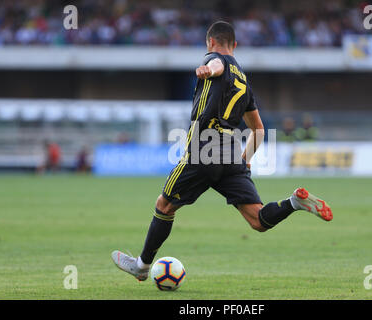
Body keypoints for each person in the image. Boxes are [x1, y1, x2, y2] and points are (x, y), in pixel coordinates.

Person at [111, 21, 333, 281]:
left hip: (204, 148)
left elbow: (217, 66)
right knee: (258, 220)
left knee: (165, 205)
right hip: (230, 151)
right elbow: (258, 130)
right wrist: (245, 161)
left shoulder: (216, 60)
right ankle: (294, 202)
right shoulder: (244, 81)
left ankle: (142, 266)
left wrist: (208, 68)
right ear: (235, 45)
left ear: (210, 42)